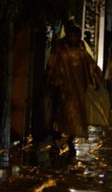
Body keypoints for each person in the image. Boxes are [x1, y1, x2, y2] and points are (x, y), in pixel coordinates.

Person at [44, 20, 102, 156]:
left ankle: (70, 140)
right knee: (59, 116)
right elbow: (51, 66)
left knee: (75, 118)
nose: (72, 38)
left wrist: (97, 78)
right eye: (70, 35)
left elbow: (91, 67)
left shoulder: (82, 53)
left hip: (77, 92)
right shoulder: (59, 50)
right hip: (61, 90)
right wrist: (50, 81)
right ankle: (57, 140)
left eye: (75, 35)